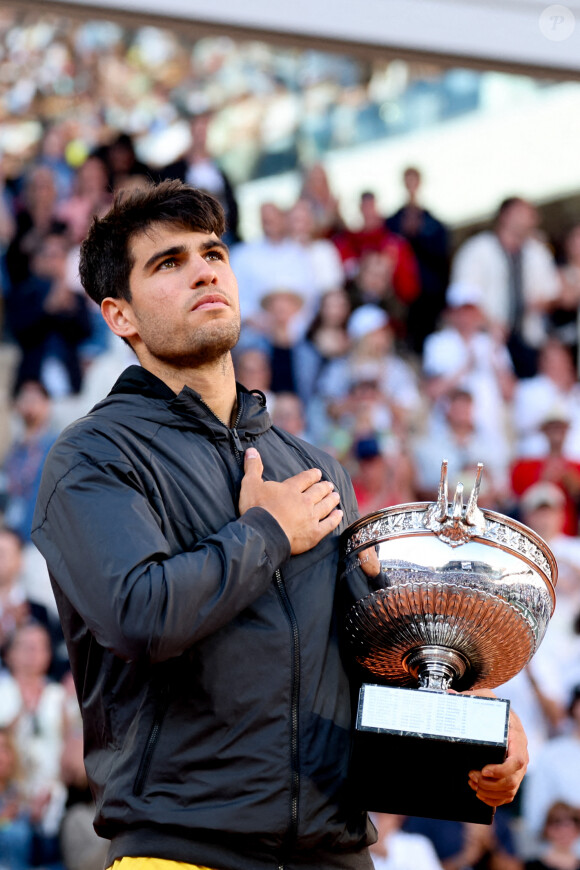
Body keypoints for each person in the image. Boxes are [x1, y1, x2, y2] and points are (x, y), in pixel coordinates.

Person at [31, 180, 527, 870]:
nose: (204, 269)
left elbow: (364, 647)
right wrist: (265, 533)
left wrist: (474, 720)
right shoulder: (93, 455)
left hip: (338, 849)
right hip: (183, 849)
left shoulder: (315, 465)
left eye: (213, 253)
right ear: (121, 316)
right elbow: (137, 617)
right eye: (168, 263)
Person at [450, 197, 559, 378]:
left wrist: (542, 303)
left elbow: (552, 293)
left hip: (529, 340)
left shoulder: (537, 252)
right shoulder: (477, 249)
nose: (531, 219)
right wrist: (490, 323)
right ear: (506, 215)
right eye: (524, 213)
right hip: (486, 341)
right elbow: (462, 295)